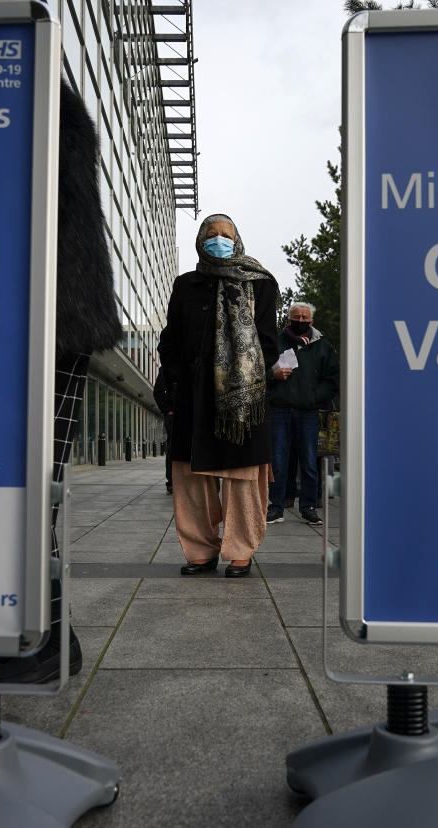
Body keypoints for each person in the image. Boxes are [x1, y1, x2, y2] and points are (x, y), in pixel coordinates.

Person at [0, 78, 122, 684]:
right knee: (0, 487)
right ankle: (4, 621)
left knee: (26, 491)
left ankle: (50, 640)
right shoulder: (37, 102)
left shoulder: (39, 103)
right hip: (39, 321)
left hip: (51, 324)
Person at [157, 214, 279, 578]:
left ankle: (240, 550)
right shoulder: (186, 284)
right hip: (193, 397)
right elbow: (171, 340)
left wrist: (247, 378)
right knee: (192, 477)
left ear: (237, 239)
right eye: (212, 235)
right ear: (200, 240)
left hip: (241, 401)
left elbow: (268, 342)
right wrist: (177, 381)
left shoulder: (261, 283)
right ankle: (200, 551)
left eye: (226, 235)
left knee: (241, 477)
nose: (219, 240)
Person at [266, 301, 339, 526]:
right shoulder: (275, 342)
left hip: (308, 412)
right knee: (278, 462)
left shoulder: (323, 345)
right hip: (279, 410)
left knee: (308, 462)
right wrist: (273, 375)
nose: (300, 321)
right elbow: (258, 371)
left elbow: (332, 378)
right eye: (296, 317)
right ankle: (276, 507)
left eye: (304, 318)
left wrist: (314, 397)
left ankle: (308, 507)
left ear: (311, 321)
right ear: (288, 319)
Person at [153, 367, 174, 494]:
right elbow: (158, 391)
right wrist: (168, 410)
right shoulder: (167, 367)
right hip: (174, 415)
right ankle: (171, 481)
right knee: (173, 447)